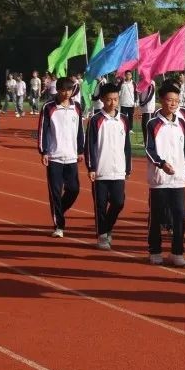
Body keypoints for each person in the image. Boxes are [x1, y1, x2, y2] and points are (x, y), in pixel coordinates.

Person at [144, 83, 185, 266]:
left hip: (178, 179)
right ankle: (155, 250)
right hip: (160, 179)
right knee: (157, 216)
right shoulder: (153, 123)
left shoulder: (182, 122)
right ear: (161, 101)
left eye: (176, 100)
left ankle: (177, 252)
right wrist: (161, 163)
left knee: (180, 215)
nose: (173, 104)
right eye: (169, 100)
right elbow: (148, 149)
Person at [84, 83, 131, 249]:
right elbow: (89, 145)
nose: (113, 103)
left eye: (116, 99)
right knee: (100, 205)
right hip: (101, 171)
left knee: (118, 202)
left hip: (118, 169)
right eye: (109, 99)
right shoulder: (96, 120)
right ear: (103, 100)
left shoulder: (123, 119)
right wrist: (91, 168)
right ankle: (102, 235)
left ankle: (107, 228)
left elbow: (127, 145)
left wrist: (128, 167)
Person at [38, 77, 85, 238]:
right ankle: (59, 225)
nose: (67, 93)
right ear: (57, 90)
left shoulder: (77, 107)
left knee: (74, 189)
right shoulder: (48, 107)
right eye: (64, 90)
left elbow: (80, 131)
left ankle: (59, 211)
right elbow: (43, 130)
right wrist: (43, 151)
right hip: (54, 157)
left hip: (71, 156)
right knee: (55, 192)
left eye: (69, 90)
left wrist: (80, 150)